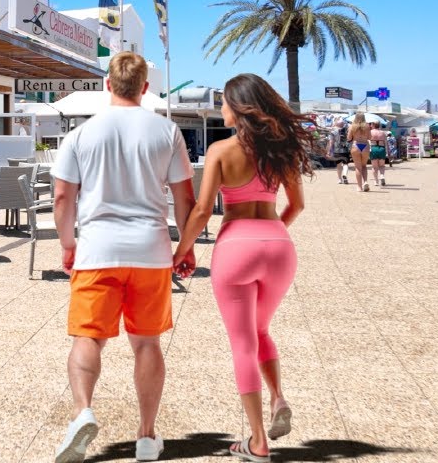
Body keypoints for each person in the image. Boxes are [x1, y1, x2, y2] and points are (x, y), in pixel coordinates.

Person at [51, 52, 195, 463]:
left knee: (88, 337)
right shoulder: (166, 132)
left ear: (107, 85)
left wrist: (67, 243)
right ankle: (147, 437)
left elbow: (63, 197)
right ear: (145, 88)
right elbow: (185, 196)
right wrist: (185, 246)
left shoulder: (82, 135)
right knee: (146, 343)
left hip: (97, 249)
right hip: (150, 251)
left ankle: (83, 413)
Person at [174, 73, 311, 463]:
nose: (221, 109)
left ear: (238, 108)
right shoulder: (282, 151)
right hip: (278, 246)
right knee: (261, 329)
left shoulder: (220, 150)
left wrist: (182, 251)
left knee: (242, 342)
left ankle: (257, 442)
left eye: (224, 103)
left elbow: (202, 211)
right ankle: (278, 398)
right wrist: (269, 237)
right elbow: (296, 205)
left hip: (235, 246)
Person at [347, 112, 372, 192]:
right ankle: (365, 182)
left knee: (358, 167)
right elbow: (370, 137)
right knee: (364, 166)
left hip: (356, 145)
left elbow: (348, 138)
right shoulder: (367, 126)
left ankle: (359, 187)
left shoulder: (352, 126)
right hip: (365, 145)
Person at [369, 121, 388, 187]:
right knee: (382, 166)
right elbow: (386, 143)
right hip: (382, 148)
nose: (370, 125)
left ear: (373, 125)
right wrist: (387, 152)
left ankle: (376, 181)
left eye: (371, 124)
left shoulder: (370, 132)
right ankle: (382, 176)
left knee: (374, 167)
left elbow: (368, 141)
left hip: (373, 148)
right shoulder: (383, 133)